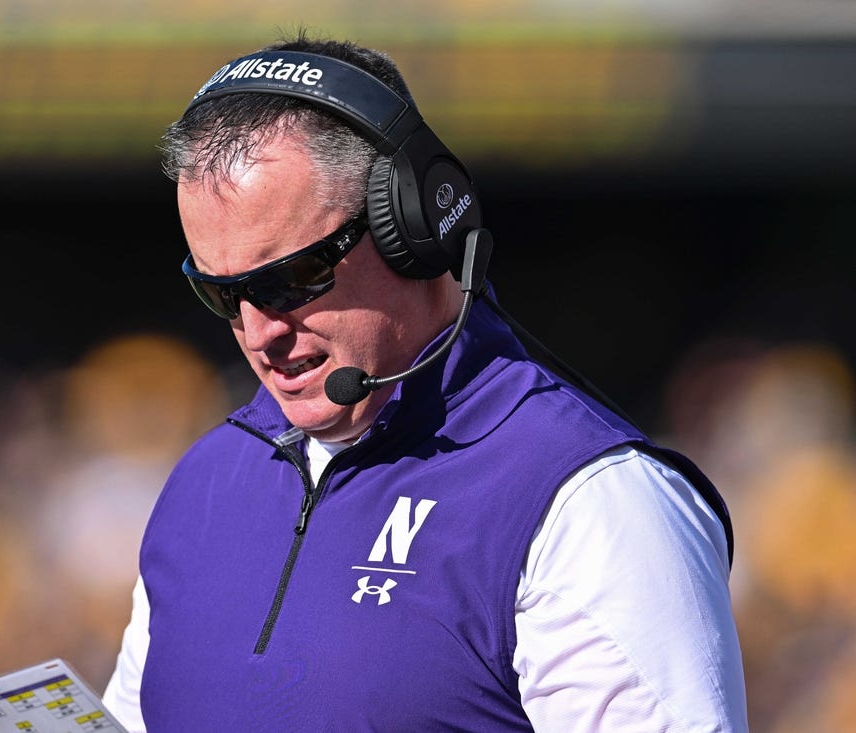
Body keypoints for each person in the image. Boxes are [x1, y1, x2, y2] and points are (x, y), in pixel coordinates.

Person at [103, 32, 748, 732]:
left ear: (411, 224)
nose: (259, 331)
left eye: (290, 278)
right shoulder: (202, 484)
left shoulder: (592, 503)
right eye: (223, 293)